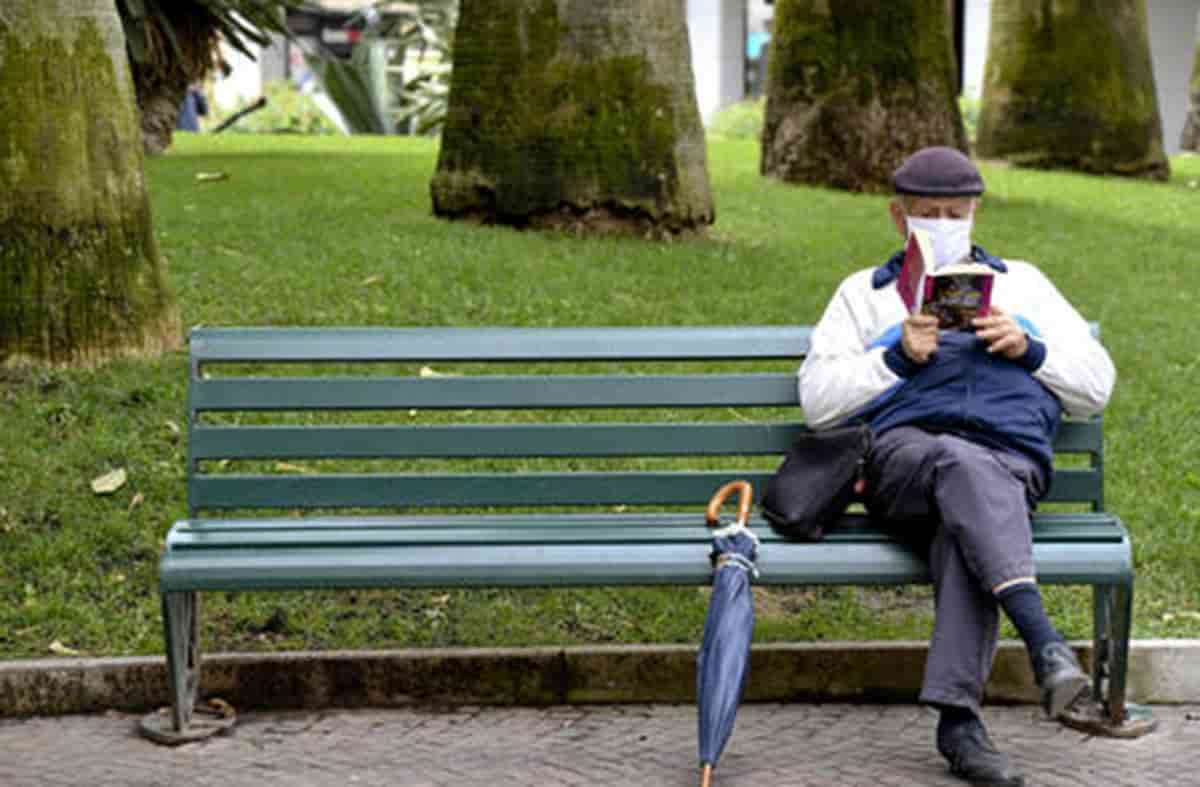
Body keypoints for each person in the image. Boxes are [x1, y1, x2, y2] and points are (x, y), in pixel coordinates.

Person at [798, 146, 1115, 787]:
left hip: (1004, 464)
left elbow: (1096, 386)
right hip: (906, 462)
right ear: (898, 217)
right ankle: (1043, 641)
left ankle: (960, 728)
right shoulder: (866, 295)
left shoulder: (1023, 284)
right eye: (927, 213)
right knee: (954, 463)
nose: (943, 223)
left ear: (974, 214)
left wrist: (1030, 350)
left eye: (955, 212)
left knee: (964, 520)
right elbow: (817, 404)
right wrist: (896, 360)